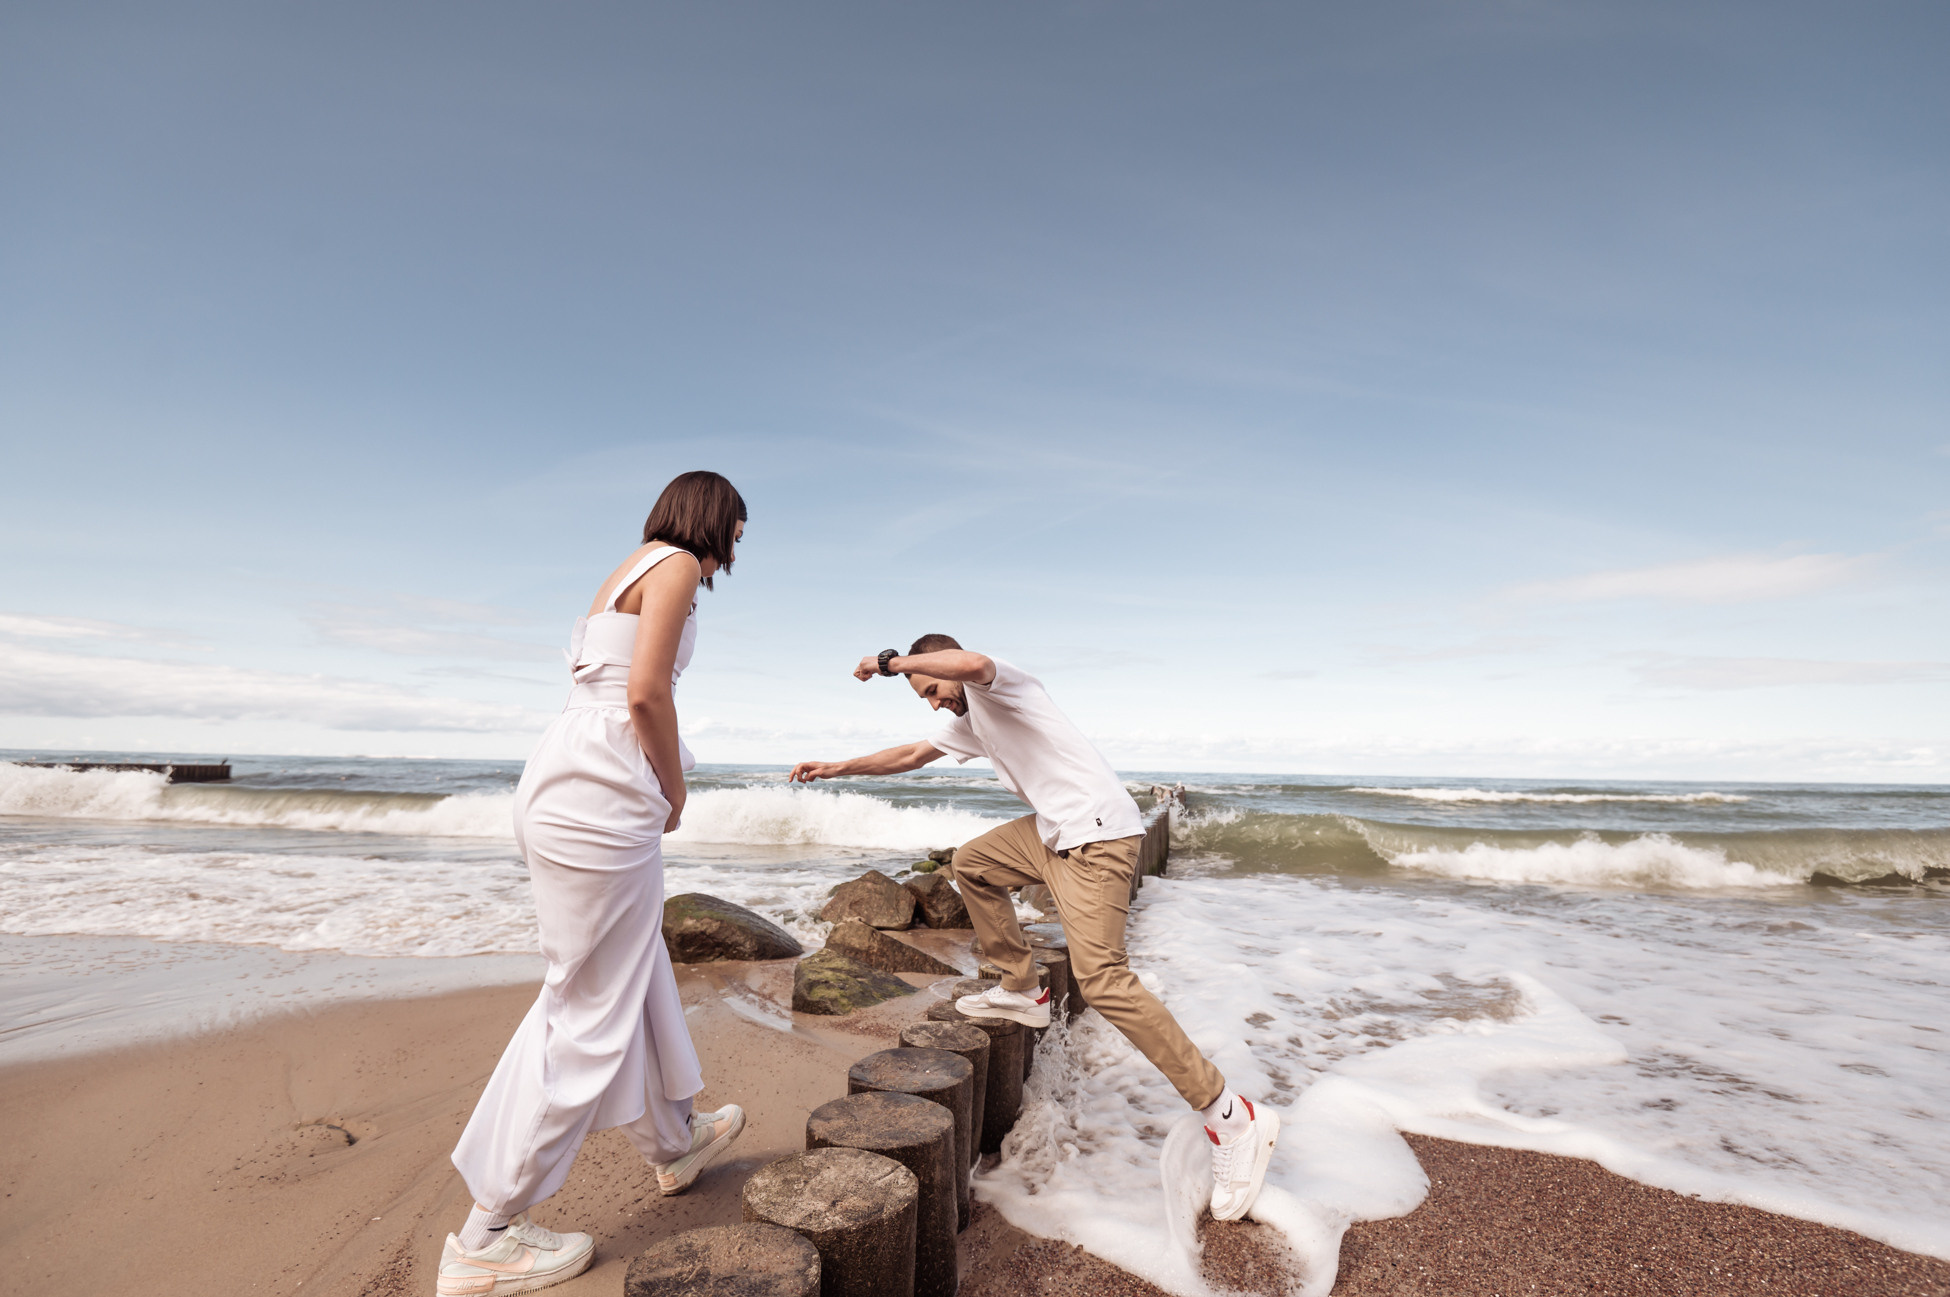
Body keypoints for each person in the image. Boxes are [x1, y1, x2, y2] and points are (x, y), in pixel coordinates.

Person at [789, 636, 1279, 1221]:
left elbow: (970, 666)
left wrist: (892, 664)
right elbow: (912, 756)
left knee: (1102, 981)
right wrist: (837, 766)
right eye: (924, 698)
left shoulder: (1002, 684)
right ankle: (1024, 988)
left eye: (934, 691)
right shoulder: (968, 719)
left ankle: (1230, 1115)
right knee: (972, 862)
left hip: (1098, 836)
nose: (936, 704)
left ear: (944, 668)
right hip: (1052, 834)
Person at [439, 472, 750, 1297]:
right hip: (602, 791)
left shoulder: (630, 564)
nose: (736, 549)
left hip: (568, 775)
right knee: (586, 1009)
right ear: (712, 516)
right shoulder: (679, 563)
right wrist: (675, 787)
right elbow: (645, 692)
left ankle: (673, 1141)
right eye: (738, 531)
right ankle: (486, 1234)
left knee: (633, 969)